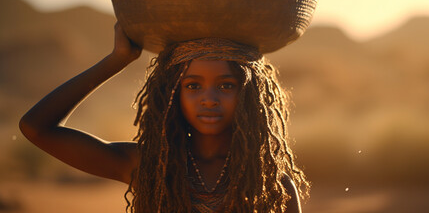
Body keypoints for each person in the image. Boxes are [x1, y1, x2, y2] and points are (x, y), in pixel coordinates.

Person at [19, 23, 309, 212]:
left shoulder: (272, 185)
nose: (209, 98)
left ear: (248, 95)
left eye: (226, 85)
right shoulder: (149, 166)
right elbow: (36, 128)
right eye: (193, 85)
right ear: (172, 94)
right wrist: (116, 60)